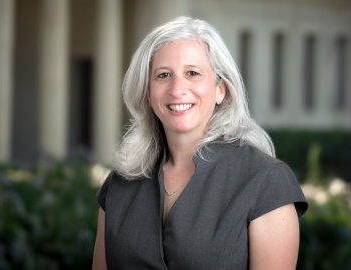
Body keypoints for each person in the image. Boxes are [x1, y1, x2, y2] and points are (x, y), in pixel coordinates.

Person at [92, 16, 308, 270]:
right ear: (148, 93)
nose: (177, 89)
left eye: (192, 73)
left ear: (220, 89)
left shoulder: (267, 182)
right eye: (163, 75)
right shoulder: (120, 182)